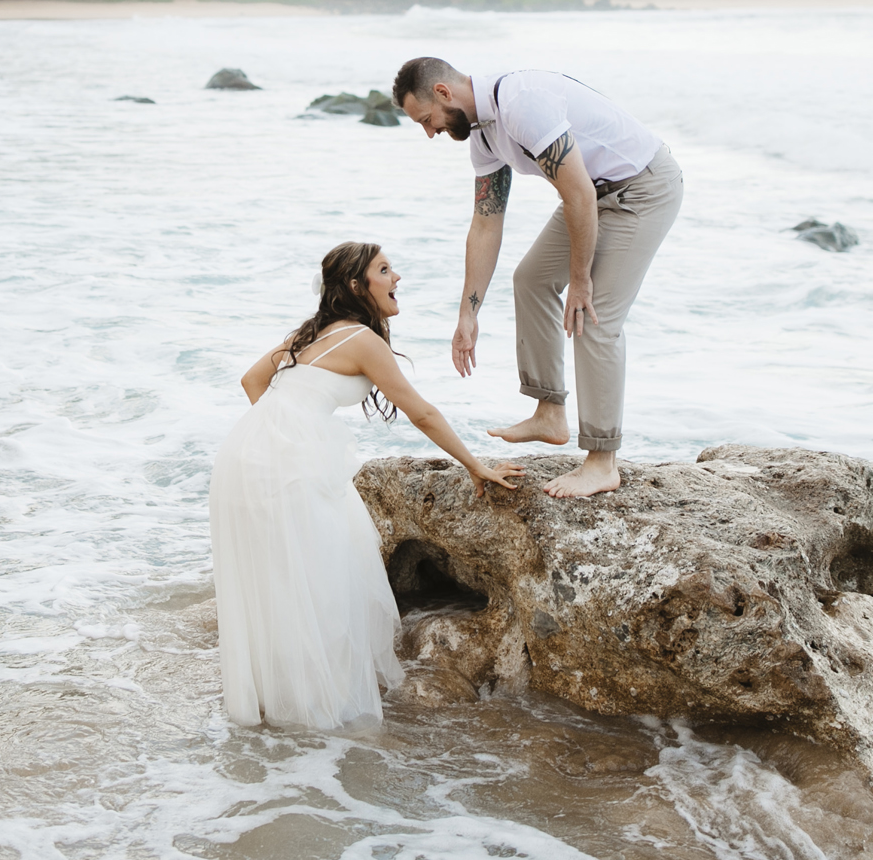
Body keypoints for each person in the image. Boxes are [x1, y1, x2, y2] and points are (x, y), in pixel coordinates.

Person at [211, 241, 523, 730]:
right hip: (282, 465)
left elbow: (253, 382)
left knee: (284, 581)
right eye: (384, 270)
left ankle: (277, 708)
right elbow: (420, 411)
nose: (396, 277)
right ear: (358, 287)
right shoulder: (360, 339)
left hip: (242, 459)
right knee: (325, 581)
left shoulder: (311, 333)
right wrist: (473, 465)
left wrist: (280, 441)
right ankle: (318, 714)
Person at [391, 58, 684, 499]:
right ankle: (550, 413)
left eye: (426, 120)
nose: (429, 132)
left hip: (640, 189)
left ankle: (602, 463)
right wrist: (468, 314)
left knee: (593, 316)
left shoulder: (520, 103)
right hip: (591, 196)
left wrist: (580, 281)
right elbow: (486, 224)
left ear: (444, 93)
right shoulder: (483, 134)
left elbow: (579, 192)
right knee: (530, 279)